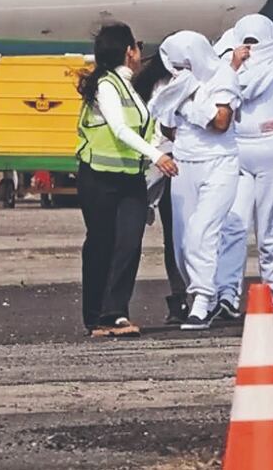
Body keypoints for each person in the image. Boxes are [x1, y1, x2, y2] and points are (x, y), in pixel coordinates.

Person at [75, 23, 170, 338]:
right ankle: (95, 317)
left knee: (129, 244)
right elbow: (119, 129)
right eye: (138, 45)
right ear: (129, 51)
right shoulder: (106, 85)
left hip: (130, 179)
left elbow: (145, 127)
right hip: (99, 179)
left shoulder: (130, 87)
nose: (140, 52)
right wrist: (157, 156)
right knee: (101, 245)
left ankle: (115, 312)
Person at [214, 15, 273, 318]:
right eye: (246, 40)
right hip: (238, 150)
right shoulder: (229, 67)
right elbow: (218, 97)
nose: (252, 47)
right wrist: (232, 65)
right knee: (233, 227)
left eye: (257, 40)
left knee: (269, 230)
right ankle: (226, 294)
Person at [153, 31, 241, 330]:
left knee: (200, 233)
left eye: (183, 65)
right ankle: (207, 292)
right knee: (180, 244)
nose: (178, 71)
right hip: (184, 165)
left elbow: (220, 122)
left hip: (220, 164)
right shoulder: (177, 82)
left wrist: (187, 104)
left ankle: (202, 301)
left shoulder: (223, 77)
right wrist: (172, 106)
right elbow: (167, 128)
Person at [134, 54, 189, 325]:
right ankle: (181, 296)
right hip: (168, 166)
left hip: (176, 165)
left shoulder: (151, 85)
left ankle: (186, 296)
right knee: (177, 237)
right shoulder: (153, 86)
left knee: (180, 237)